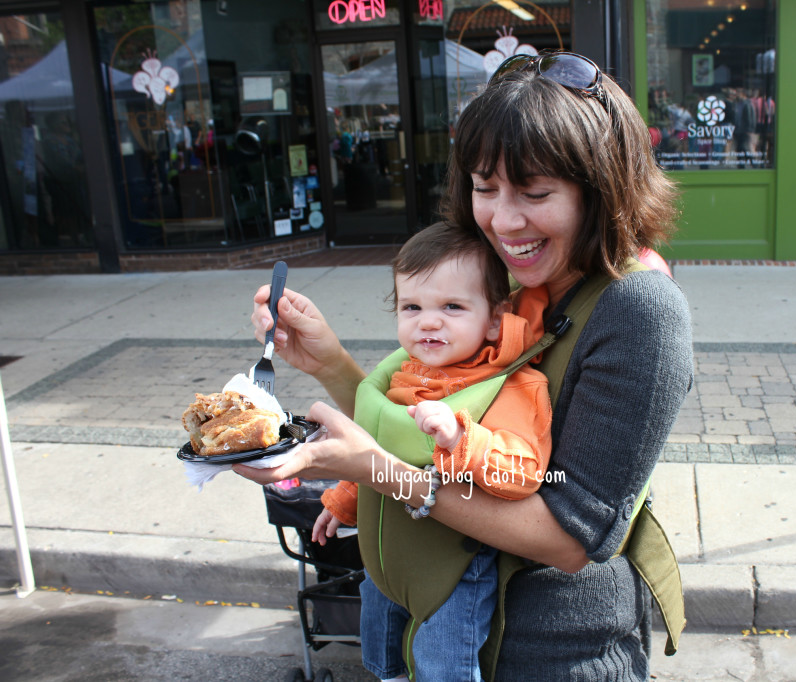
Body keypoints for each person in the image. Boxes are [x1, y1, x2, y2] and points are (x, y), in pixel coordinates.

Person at [236, 51, 694, 680]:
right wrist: (330, 364)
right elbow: (423, 420)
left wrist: (378, 472)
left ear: (601, 190)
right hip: (431, 626)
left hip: (548, 654)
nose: (504, 221)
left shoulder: (638, 311)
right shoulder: (504, 280)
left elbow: (569, 535)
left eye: (535, 193)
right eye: (485, 188)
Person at [311, 220, 553, 681]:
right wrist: (344, 500)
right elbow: (378, 448)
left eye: (453, 306)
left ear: (495, 318)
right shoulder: (405, 374)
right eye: (412, 306)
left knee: (444, 663)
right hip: (387, 553)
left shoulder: (512, 385)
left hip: (453, 565)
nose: (428, 320)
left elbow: (524, 472)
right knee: (379, 647)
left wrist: (464, 440)